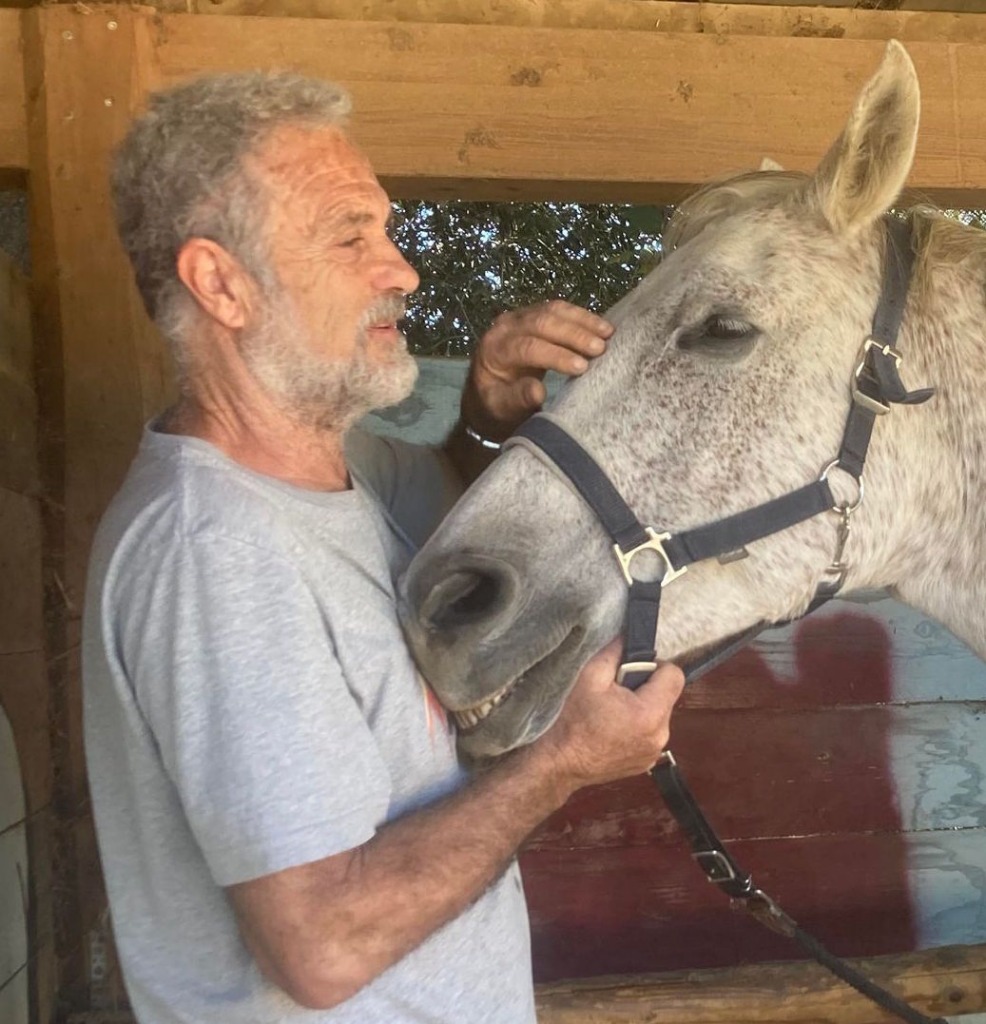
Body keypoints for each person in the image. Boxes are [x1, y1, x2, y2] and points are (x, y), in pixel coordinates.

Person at [82, 70, 684, 1024]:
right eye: (348, 236)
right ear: (221, 284)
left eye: (387, 231)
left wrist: (488, 410)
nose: (401, 270)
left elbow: (449, 499)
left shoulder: (341, 466)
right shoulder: (214, 552)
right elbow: (323, 947)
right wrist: (565, 760)